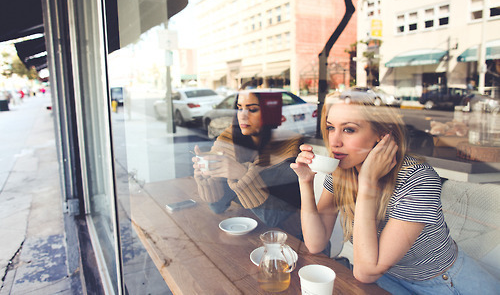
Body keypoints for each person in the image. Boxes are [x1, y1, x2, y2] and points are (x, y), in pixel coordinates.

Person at [291, 93, 499, 294]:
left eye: (349, 130)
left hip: (444, 283)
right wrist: (306, 181)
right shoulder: (342, 171)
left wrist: (367, 183)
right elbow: (315, 243)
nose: (334, 141)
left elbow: (366, 271)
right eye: (330, 127)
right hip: (388, 280)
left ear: (382, 135)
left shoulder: (417, 178)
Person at [192, 90, 303, 237]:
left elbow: (274, 217)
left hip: (288, 241)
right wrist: (208, 179)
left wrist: (242, 175)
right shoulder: (229, 145)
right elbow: (217, 207)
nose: (242, 115)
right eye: (239, 108)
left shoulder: (288, 150)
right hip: (246, 235)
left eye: (252, 109)